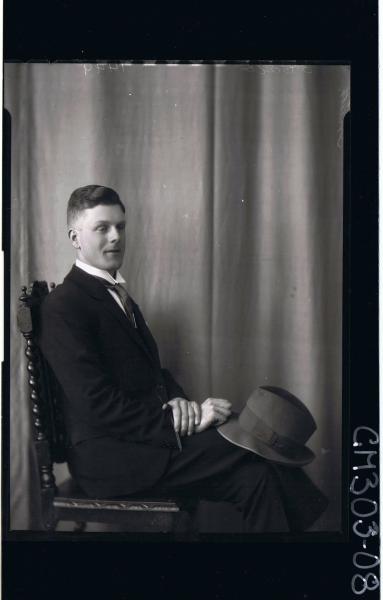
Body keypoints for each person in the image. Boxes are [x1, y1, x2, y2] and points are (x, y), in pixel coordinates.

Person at [37, 184, 327, 533]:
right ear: (75, 237)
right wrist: (180, 420)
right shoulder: (64, 306)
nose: (115, 237)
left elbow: (149, 374)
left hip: (143, 443)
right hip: (112, 460)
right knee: (254, 442)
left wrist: (178, 401)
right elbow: (96, 404)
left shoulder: (116, 295)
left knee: (257, 478)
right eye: (102, 228)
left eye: (120, 226)